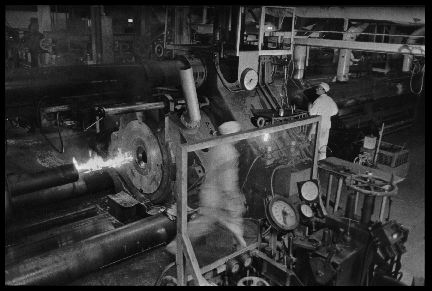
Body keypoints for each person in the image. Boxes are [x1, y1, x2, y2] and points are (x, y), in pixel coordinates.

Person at [166, 121, 247, 255]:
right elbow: (227, 180)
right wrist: (233, 197)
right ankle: (242, 247)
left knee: (203, 222)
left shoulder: (217, 146)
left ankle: (176, 245)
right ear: (233, 135)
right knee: (233, 219)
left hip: (210, 192)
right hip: (219, 195)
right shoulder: (229, 152)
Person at [308, 82, 339, 160]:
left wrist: (309, 106)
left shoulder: (318, 100)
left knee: (314, 147)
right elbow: (335, 111)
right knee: (323, 147)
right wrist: (326, 114)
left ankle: (314, 164)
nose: (316, 89)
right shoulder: (330, 99)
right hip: (326, 126)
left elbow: (312, 113)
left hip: (318, 127)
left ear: (323, 90)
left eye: (318, 88)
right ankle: (322, 162)